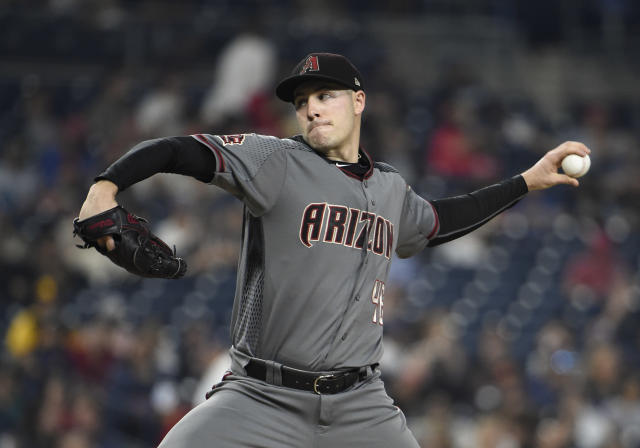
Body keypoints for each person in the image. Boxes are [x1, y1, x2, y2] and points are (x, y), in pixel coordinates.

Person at [77, 53, 591, 447]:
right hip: (261, 395)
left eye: (325, 95)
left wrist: (527, 181)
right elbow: (180, 150)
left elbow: (439, 222)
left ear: (359, 101)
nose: (311, 108)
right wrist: (107, 185)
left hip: (360, 404)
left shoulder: (391, 191)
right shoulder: (275, 160)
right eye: (302, 102)